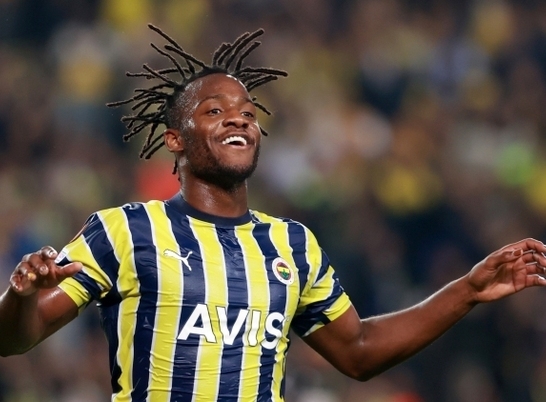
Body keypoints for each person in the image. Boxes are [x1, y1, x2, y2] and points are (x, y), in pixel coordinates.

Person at [1, 24, 546, 402]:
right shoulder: (124, 230)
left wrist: (467, 290)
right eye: (214, 111)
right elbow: (14, 340)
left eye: (247, 112)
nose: (238, 119)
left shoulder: (292, 245)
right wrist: (20, 296)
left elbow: (358, 352)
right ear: (175, 139)